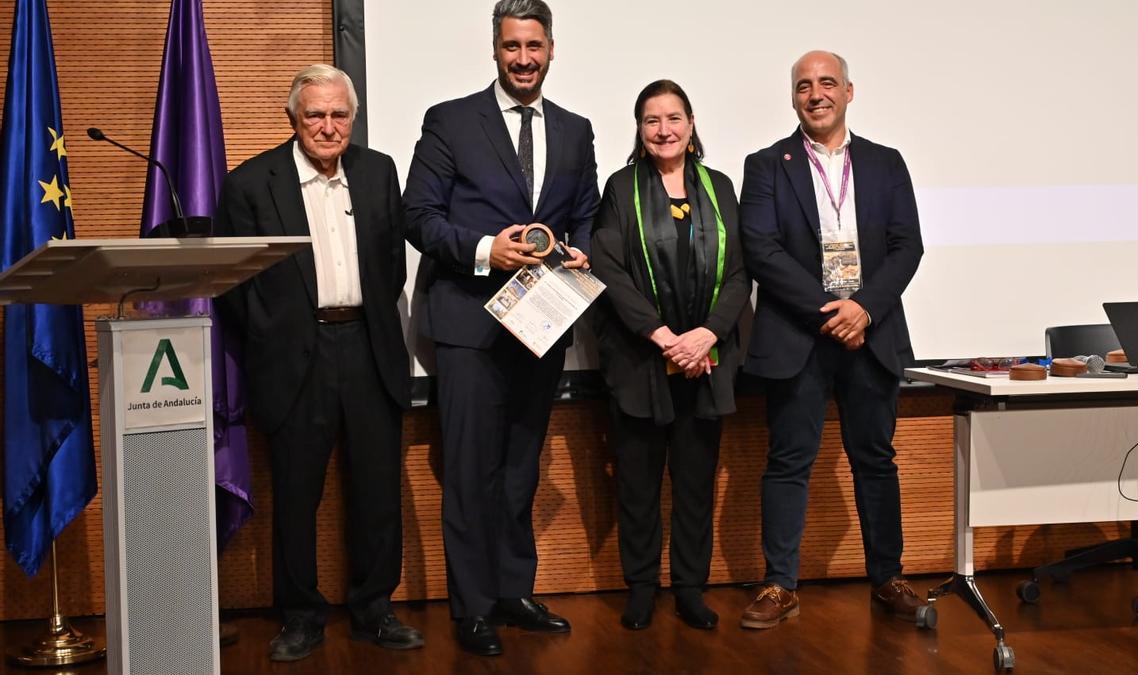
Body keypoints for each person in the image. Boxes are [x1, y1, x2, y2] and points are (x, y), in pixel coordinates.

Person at [403, 0, 599, 656]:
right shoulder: (451, 121)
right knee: (469, 470)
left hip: (543, 320)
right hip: (468, 324)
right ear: (495, 49)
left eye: (534, 46)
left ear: (551, 50)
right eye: (512, 46)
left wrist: (583, 251)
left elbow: (588, 215)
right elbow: (419, 216)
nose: (523, 58)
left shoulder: (576, 130)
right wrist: (489, 249)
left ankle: (514, 590)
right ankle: (474, 606)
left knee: (520, 466)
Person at [214, 64, 420, 661]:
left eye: (339, 115)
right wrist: (271, 332)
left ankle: (374, 610)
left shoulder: (378, 171)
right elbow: (234, 282)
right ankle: (301, 616)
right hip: (293, 358)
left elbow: (389, 263)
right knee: (298, 496)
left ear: (351, 118)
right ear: (293, 119)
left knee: (377, 490)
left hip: (367, 347)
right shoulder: (252, 183)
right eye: (315, 115)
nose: (328, 127)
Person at [737, 51, 926, 629]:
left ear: (849, 91)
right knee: (788, 460)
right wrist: (832, 310)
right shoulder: (768, 164)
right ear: (793, 97)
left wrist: (863, 307)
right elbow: (761, 249)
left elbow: (906, 246)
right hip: (800, 334)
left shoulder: (886, 163)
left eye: (826, 83)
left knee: (877, 460)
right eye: (803, 86)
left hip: (872, 333)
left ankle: (888, 577)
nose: (815, 93)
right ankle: (779, 585)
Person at [590, 80, 749, 631]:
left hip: (705, 361)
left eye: (674, 118)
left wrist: (707, 334)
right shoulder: (620, 187)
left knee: (695, 483)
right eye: (652, 120)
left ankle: (689, 588)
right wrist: (662, 336)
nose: (664, 130)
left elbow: (738, 272)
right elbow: (609, 272)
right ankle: (641, 587)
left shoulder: (719, 186)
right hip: (642, 360)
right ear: (639, 128)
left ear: (691, 122)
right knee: (636, 483)